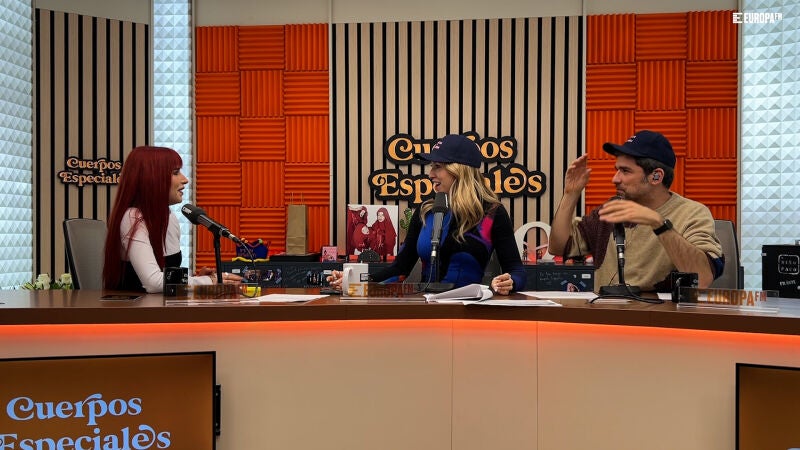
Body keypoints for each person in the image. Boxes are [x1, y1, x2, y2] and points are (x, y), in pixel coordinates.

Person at [327, 134, 526, 295]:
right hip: (427, 311)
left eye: (437, 167)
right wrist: (354, 282)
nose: (430, 174)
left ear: (459, 170)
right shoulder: (426, 211)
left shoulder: (492, 212)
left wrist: (510, 282)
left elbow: (517, 270)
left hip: (468, 313)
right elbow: (399, 269)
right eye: (431, 166)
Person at [548, 130, 724, 292]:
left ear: (656, 176)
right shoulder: (611, 208)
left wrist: (658, 223)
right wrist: (570, 194)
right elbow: (558, 247)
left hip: (655, 314)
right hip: (605, 311)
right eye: (617, 170)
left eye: (625, 171)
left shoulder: (692, 213)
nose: (615, 179)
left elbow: (702, 278)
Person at [102, 146, 241, 293]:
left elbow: (165, 276)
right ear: (152, 178)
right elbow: (153, 282)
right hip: (135, 307)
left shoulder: (169, 217)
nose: (185, 180)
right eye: (175, 173)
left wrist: (194, 279)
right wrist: (207, 281)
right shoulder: (132, 217)